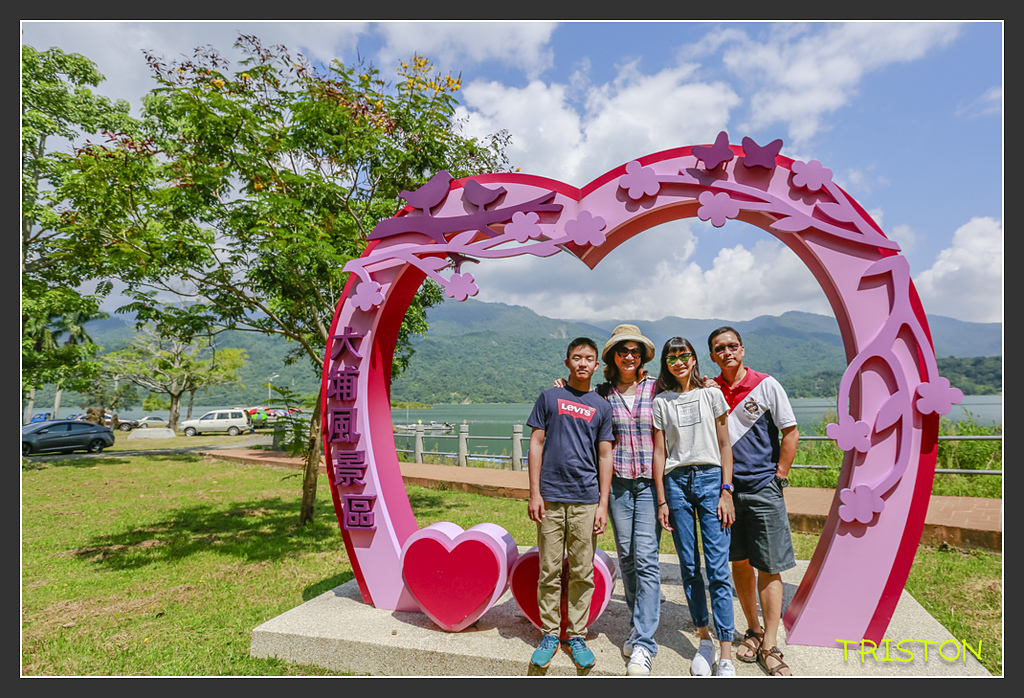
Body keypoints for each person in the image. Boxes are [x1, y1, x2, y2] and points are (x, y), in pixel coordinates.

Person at [706, 326, 798, 677]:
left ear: (742, 349)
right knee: (740, 562)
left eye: (732, 346)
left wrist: (780, 475)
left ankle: (771, 644)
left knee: (769, 566)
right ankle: (754, 629)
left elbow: (790, 431)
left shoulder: (766, 385)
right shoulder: (710, 390)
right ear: (712, 356)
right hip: (725, 493)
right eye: (719, 348)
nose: (727, 352)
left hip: (762, 488)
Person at [527, 337, 615, 670]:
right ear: (567, 362)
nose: (582, 363)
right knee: (548, 570)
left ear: (596, 365)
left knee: (582, 572)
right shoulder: (549, 397)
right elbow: (536, 444)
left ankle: (577, 635)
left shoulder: (602, 406)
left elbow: (605, 455)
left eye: (588, 358)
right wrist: (534, 493)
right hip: (550, 498)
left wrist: (602, 504)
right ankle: (550, 633)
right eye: (576, 357)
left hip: (585, 500)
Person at [652, 336, 737, 677]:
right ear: (666, 364)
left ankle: (726, 651)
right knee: (689, 566)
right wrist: (661, 499)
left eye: (683, 355)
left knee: (717, 569)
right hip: (676, 483)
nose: (679, 362)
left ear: (693, 358)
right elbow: (660, 453)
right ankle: (704, 639)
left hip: (711, 480)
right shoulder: (662, 401)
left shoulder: (711, 394)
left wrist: (727, 491)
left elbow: (725, 445)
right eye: (672, 357)